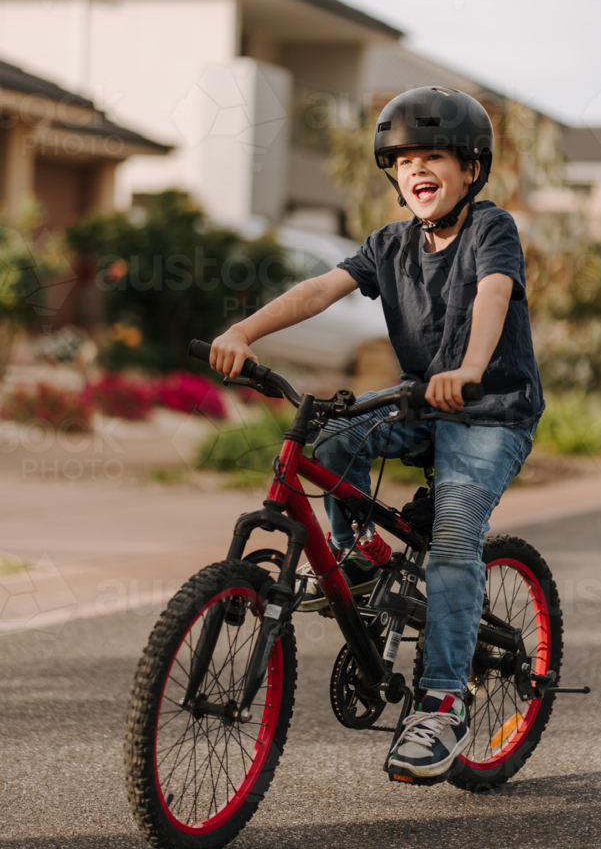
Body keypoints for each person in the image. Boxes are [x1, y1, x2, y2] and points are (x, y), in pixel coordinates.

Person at [209, 86, 544, 781]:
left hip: (489, 411)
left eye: (433, 156)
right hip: (422, 405)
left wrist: (471, 367)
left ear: (470, 170)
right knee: (333, 435)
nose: (416, 169)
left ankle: (441, 702)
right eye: (402, 159)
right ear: (391, 175)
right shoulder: (389, 244)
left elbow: (493, 294)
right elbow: (319, 290)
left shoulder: (490, 230)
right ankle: (357, 551)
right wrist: (244, 330)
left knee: (453, 539)